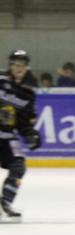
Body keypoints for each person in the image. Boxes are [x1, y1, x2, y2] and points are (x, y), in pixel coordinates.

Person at [0, 50, 41, 222]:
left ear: (27, 67)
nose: (19, 68)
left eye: (22, 65)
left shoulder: (28, 92)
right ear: (10, 65)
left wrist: (31, 134)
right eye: (16, 64)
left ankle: (5, 203)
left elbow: (24, 121)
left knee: (18, 166)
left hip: (7, 136)